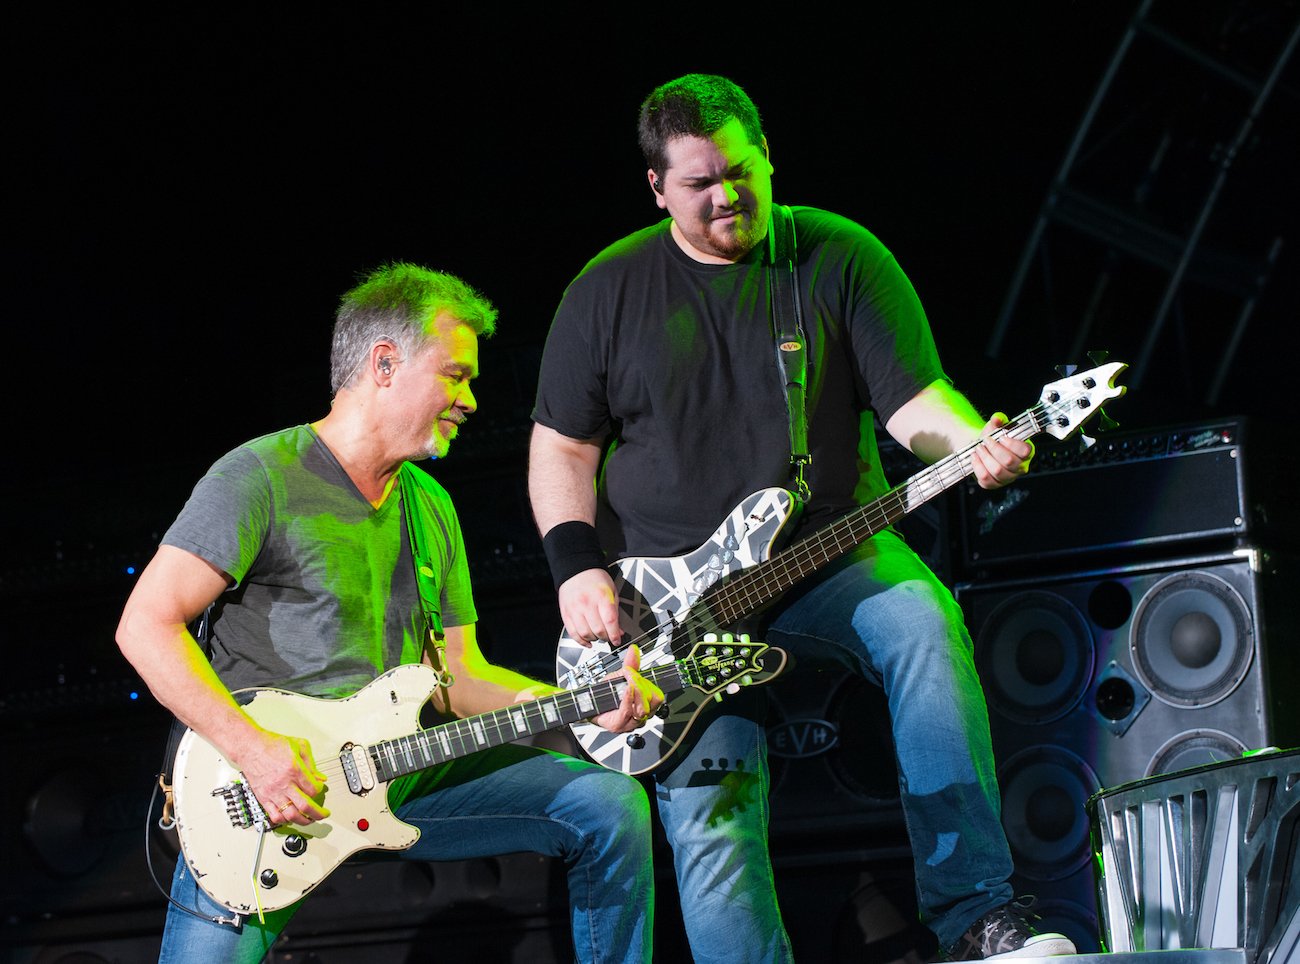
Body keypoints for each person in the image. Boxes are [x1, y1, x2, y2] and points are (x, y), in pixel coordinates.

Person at [527, 74, 1077, 962]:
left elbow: (912, 404)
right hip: (670, 604)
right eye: (700, 183)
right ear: (658, 189)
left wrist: (973, 441)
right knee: (715, 822)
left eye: (741, 171)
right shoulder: (606, 291)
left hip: (829, 557)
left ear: (768, 155)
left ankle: (980, 916)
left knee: (923, 626)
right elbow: (561, 447)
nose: (727, 196)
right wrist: (576, 567)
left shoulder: (838, 255)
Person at [116, 263, 662, 964]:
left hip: (398, 772)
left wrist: (579, 704)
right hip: (258, 794)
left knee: (607, 806)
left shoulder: (429, 506)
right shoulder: (259, 476)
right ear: (384, 362)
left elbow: (459, 677)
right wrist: (256, 753)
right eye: (455, 375)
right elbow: (144, 626)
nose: (470, 399)